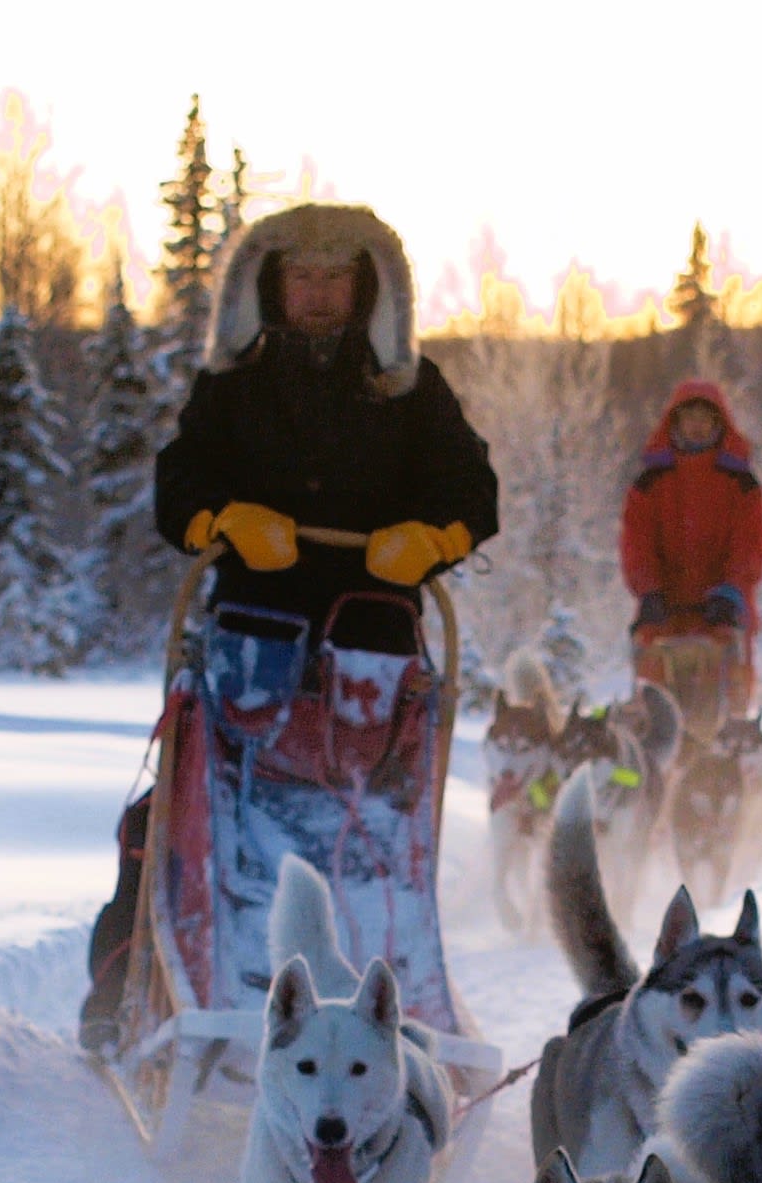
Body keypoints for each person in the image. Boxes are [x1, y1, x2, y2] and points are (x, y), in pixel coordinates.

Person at [82, 203, 498, 1053]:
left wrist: (434, 537)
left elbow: (471, 488)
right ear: (272, 286)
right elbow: (178, 484)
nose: (317, 294)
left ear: (365, 287)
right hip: (250, 644)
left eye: (335, 277)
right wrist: (221, 520)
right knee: (158, 829)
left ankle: (389, 994)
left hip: (373, 661)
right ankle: (121, 990)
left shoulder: (412, 391)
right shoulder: (232, 389)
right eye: (301, 277)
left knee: (378, 845)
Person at [617, 377, 762, 721]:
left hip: (722, 615)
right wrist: (649, 589)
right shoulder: (649, 483)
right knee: (653, 705)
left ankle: (723, 761)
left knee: (723, 707)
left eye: (705, 419)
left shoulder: (741, 484)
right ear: (676, 422)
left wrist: (731, 592)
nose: (697, 427)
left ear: (719, 424)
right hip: (663, 614)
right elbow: (636, 543)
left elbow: (750, 545)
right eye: (690, 418)